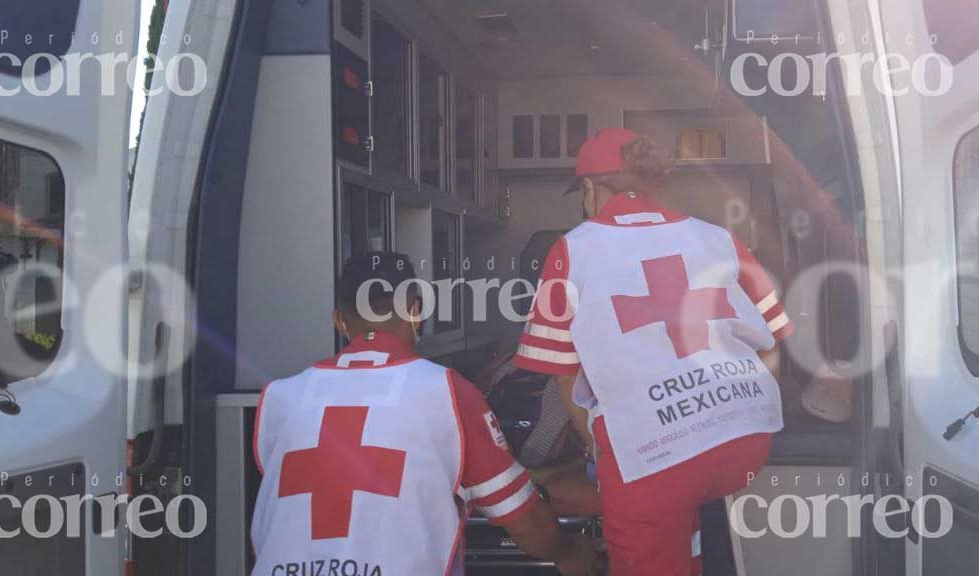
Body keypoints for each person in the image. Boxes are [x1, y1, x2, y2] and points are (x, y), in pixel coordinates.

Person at [514, 128, 794, 575]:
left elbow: (563, 375)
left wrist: (601, 449)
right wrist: (747, 410)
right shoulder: (718, 238)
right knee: (690, 515)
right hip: (744, 446)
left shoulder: (572, 250)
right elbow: (774, 335)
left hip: (655, 459)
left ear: (590, 188)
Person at [251, 252, 600, 576]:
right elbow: (522, 519)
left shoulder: (280, 398)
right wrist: (569, 553)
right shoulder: (445, 390)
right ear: (416, 311)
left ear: (340, 320)